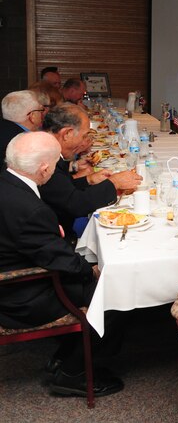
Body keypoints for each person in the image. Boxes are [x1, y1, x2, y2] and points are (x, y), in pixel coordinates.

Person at [0, 132, 124, 398]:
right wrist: (92, 270)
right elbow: (63, 262)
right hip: (21, 296)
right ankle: (73, 373)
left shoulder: (9, 182)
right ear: (44, 168)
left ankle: (65, 354)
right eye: (56, 165)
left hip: (17, 272)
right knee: (115, 293)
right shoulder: (29, 209)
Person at [39, 104, 142, 242]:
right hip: (55, 239)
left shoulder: (45, 147)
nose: (85, 142)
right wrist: (115, 182)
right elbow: (75, 204)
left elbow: (60, 190)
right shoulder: (44, 160)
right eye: (84, 135)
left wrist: (89, 180)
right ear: (67, 134)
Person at [1, 90, 47, 166]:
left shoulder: (4, 130)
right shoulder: (27, 143)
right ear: (32, 116)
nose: (43, 115)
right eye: (41, 110)